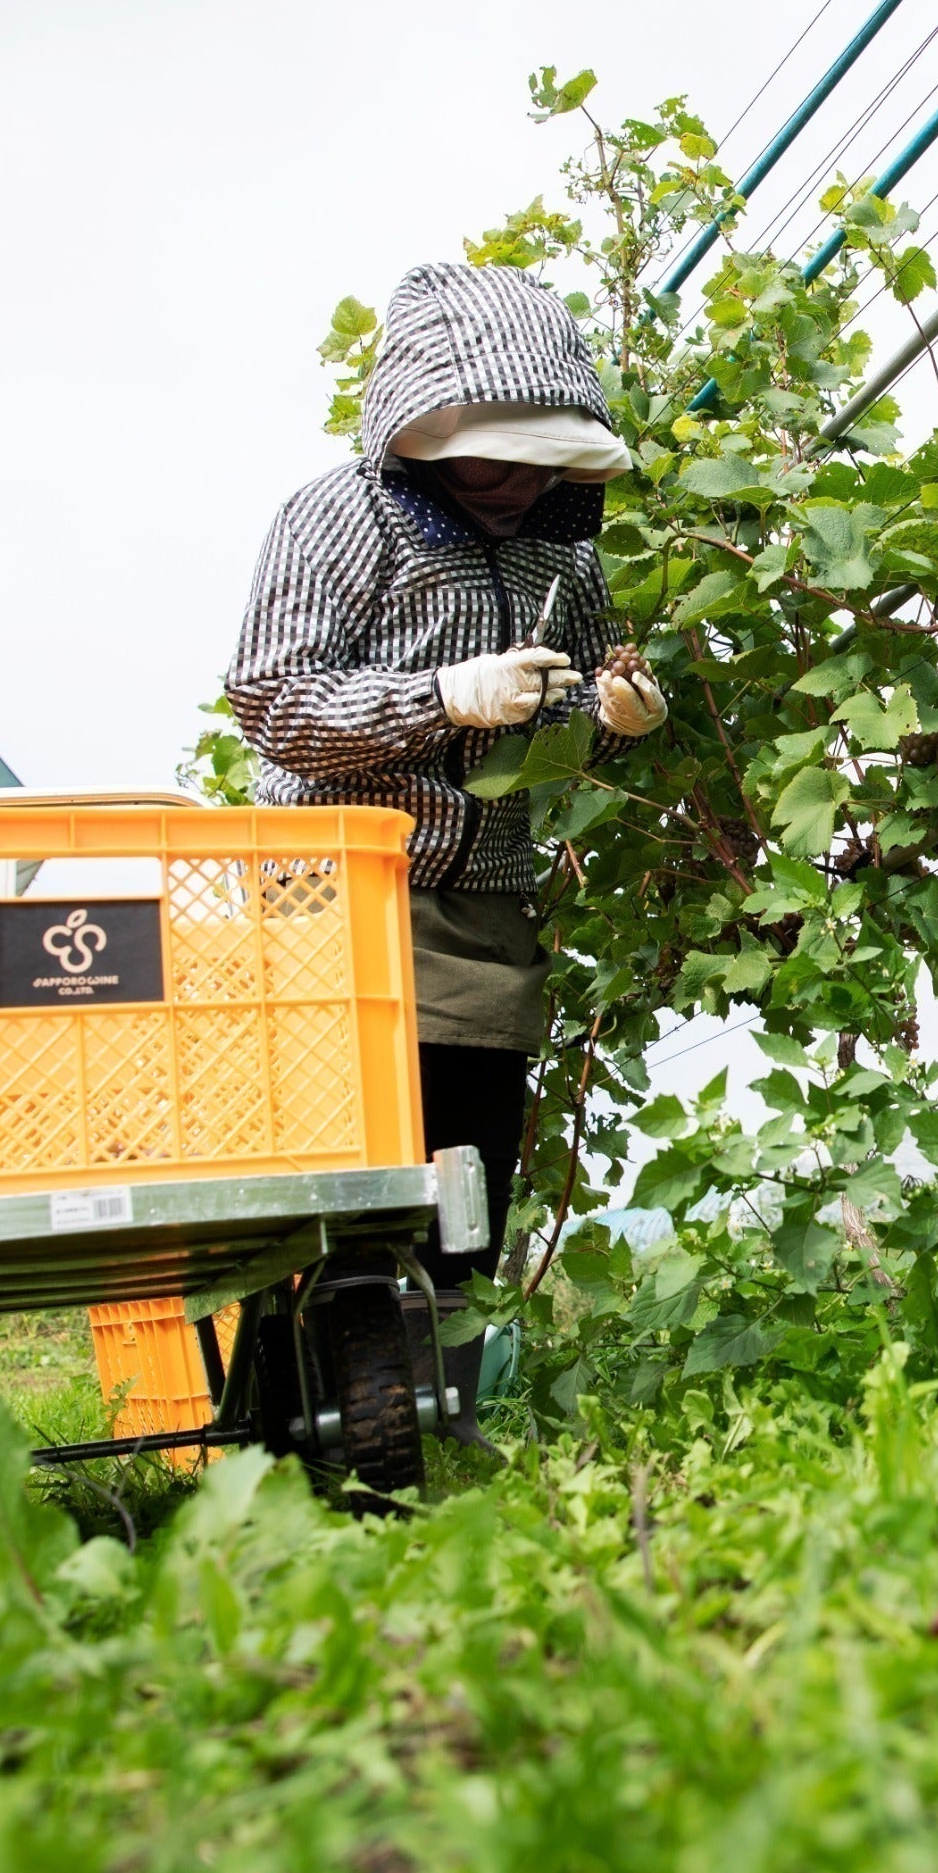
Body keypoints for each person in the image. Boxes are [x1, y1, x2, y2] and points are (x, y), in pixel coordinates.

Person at [227, 262, 664, 1289]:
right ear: (422, 437)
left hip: (483, 903)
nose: (516, 483)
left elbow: (574, 710)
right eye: (489, 462)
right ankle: (323, 1409)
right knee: (343, 1178)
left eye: (536, 460)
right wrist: (440, 696)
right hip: (328, 890)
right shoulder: (337, 518)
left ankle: (435, 1410)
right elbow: (272, 698)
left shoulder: (566, 553)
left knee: (469, 1172)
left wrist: (611, 715)